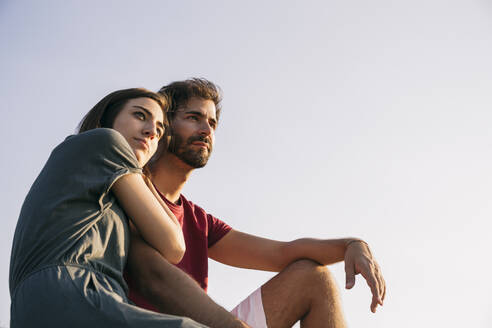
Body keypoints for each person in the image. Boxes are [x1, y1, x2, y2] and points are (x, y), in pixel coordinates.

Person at [125, 79, 386, 328]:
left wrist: (350, 245)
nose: (206, 130)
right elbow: (152, 277)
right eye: (193, 118)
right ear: (163, 125)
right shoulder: (130, 188)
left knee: (313, 277)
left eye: (212, 123)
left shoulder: (199, 221)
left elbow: (281, 253)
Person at [9, 88, 208, 328]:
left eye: (159, 128)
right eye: (140, 115)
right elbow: (174, 246)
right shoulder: (105, 140)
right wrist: (143, 176)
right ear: (106, 119)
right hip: (75, 290)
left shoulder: (92, 182)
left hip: (40, 303)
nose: (151, 131)